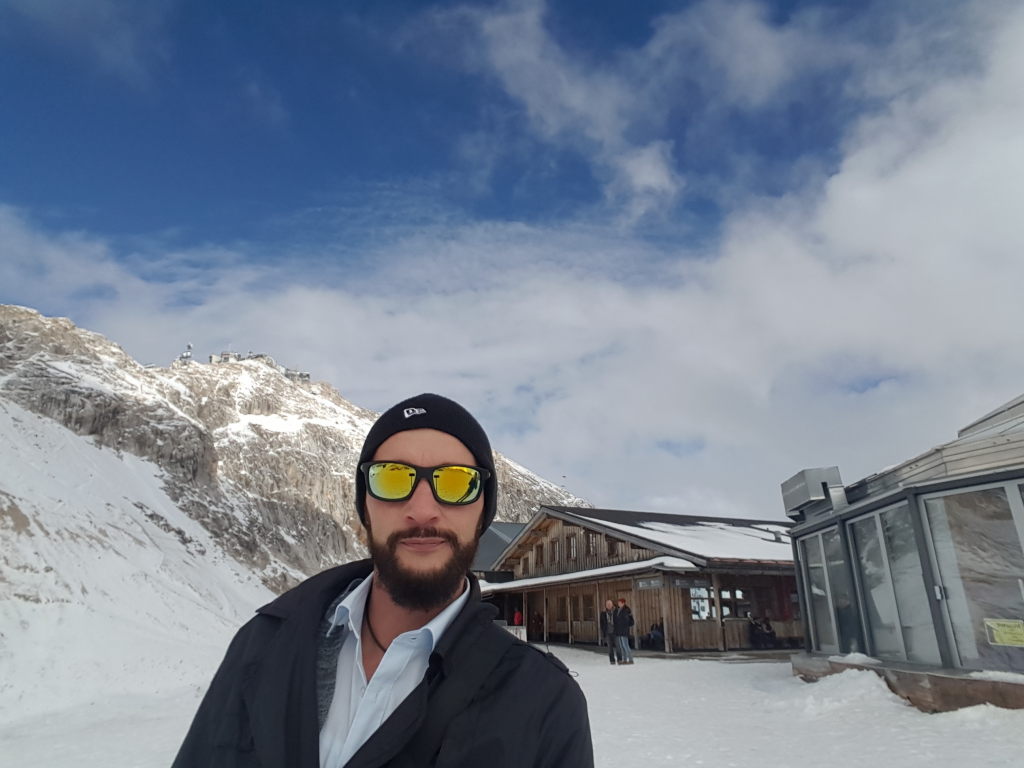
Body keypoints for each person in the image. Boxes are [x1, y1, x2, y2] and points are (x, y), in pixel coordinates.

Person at [173, 393, 593, 768]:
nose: (423, 509)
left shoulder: (543, 702)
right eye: (393, 478)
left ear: (482, 511)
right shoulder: (263, 645)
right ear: (365, 506)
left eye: (455, 482)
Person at [613, 597, 634, 664]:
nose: (618, 604)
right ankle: (624, 659)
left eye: (620, 603)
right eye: (618, 602)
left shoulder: (626, 610)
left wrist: (625, 624)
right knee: (621, 646)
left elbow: (628, 620)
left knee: (625, 645)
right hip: (618, 630)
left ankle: (630, 659)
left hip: (624, 630)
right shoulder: (617, 610)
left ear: (623, 603)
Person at [598, 599, 620, 665]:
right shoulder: (603, 613)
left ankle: (620, 660)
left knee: (618, 647)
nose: (608, 605)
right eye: (607, 604)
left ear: (612, 604)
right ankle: (612, 661)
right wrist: (603, 631)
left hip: (616, 632)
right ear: (606, 605)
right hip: (608, 633)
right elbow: (601, 623)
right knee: (610, 648)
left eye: (610, 604)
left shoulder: (616, 611)